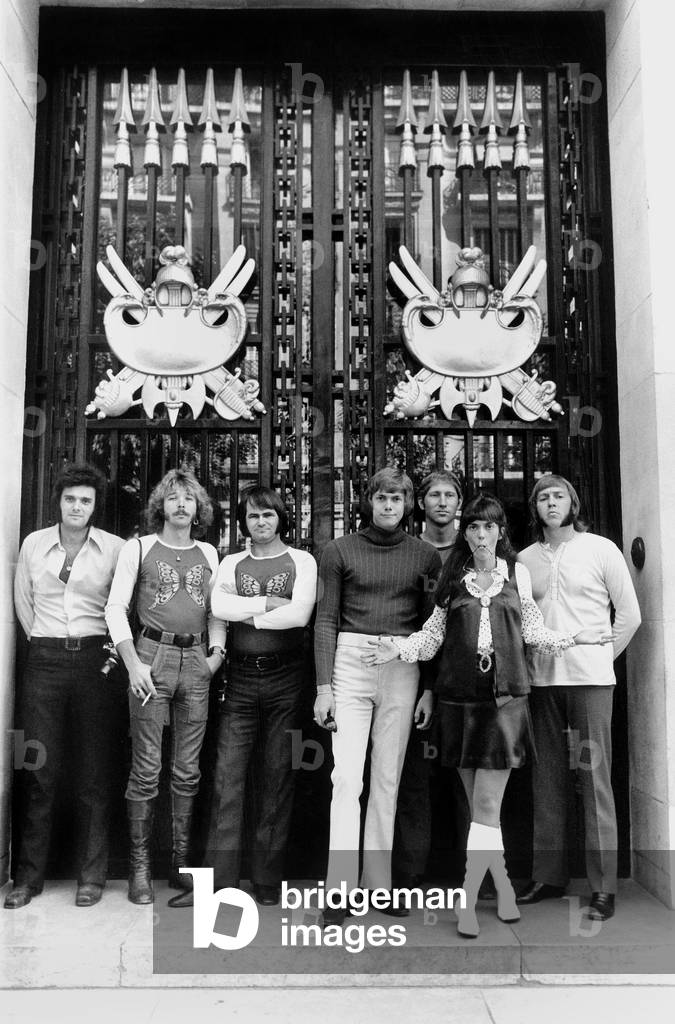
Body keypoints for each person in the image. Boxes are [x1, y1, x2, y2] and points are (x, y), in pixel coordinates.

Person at [368, 493, 613, 937]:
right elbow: (431, 637)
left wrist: (578, 637)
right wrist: (397, 649)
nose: (481, 535)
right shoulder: (453, 577)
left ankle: (465, 898)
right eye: (474, 527)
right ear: (466, 533)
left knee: (486, 806)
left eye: (489, 527)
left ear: (501, 533)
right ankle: (499, 887)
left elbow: (534, 632)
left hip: (505, 704)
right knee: (481, 811)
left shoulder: (517, 573)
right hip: (460, 704)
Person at [169, 485, 317, 909]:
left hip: (287, 679)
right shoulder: (232, 562)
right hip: (239, 679)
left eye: (268, 515)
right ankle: (218, 881)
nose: (261, 522)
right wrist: (271, 603)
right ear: (243, 522)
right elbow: (217, 607)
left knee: (277, 776)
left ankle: (267, 879)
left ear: (281, 518)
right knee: (226, 777)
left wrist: (246, 608)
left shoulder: (302, 561)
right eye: (252, 516)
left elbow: (300, 615)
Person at [313, 467, 442, 923]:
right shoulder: (338, 550)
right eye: (382, 498)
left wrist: (429, 687)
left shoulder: (426, 557)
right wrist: (323, 687)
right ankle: (339, 889)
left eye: (398, 499)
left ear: (409, 505)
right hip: (349, 660)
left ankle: (380, 887)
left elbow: (432, 628)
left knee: (388, 779)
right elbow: (325, 619)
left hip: (402, 663)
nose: (389, 506)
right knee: (347, 778)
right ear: (368, 501)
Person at [516, 475, 641, 922]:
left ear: (573, 502)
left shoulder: (600, 548)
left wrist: (601, 658)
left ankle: (602, 886)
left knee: (594, 780)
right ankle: (548, 876)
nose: (551, 503)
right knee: (545, 780)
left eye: (559, 496)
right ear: (535, 508)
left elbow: (629, 615)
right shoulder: (524, 559)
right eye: (543, 498)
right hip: (541, 682)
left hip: (590, 682)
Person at [5, 463, 124, 909]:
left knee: (95, 771)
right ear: (59, 501)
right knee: (39, 767)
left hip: (96, 661)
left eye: (86, 500)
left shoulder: (112, 548)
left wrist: (108, 655)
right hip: (46, 659)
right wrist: (46, 642)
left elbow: (121, 606)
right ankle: (28, 878)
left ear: (95, 506)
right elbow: (23, 602)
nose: (78, 506)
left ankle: (90, 876)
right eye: (71, 499)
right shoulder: (35, 544)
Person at [105, 468, 225, 905]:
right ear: (162, 505)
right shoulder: (139, 548)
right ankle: (140, 869)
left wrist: (215, 657)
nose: (181, 505)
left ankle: (179, 866)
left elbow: (217, 611)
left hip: (196, 660)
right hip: (149, 657)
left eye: (189, 499)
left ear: (199, 509)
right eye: (173, 498)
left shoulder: (210, 553)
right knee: (146, 767)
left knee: (187, 769)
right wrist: (133, 664)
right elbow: (115, 609)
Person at [392, 469, 463, 891]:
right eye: (433, 494)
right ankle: (409, 875)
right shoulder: (410, 551)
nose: (440, 501)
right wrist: (426, 687)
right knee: (412, 781)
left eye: (449, 495)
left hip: (464, 681)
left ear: (459, 502)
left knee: (464, 781)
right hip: (414, 676)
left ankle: (468, 878)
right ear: (420, 502)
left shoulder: (471, 549)